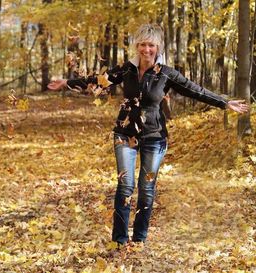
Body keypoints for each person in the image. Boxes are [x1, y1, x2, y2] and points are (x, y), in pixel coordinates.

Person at [47, 24, 249, 247]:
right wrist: (67, 82)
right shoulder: (126, 69)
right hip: (124, 135)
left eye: (151, 45)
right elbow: (98, 80)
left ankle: (140, 239)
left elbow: (195, 90)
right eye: (142, 44)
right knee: (125, 185)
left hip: (155, 137)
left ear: (158, 47)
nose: (146, 49)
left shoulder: (166, 73)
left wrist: (224, 102)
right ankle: (120, 241)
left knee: (146, 189)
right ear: (137, 46)